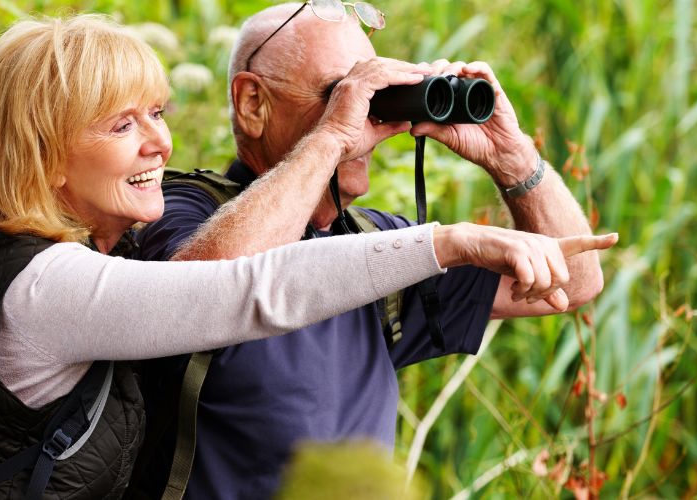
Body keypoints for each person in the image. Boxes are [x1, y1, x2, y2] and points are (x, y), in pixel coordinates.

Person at [0, 14, 550, 499]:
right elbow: (241, 290)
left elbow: (572, 281)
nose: (159, 144)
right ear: (46, 152)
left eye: (157, 113)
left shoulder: (31, 256)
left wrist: (513, 158)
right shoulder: (48, 285)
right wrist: (447, 241)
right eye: (121, 123)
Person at [133, 2, 618, 498]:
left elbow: (576, 281)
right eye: (338, 93)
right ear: (253, 103)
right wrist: (333, 137)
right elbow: (201, 295)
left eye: (373, 95)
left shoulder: (374, 244)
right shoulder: (177, 212)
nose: (362, 116)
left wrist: (511, 156)